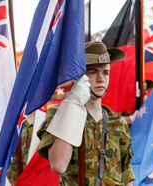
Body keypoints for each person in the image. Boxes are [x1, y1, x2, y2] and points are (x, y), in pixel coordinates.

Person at [37, 41, 135, 185]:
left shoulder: (118, 122)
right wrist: (74, 104)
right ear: (78, 77)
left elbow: (126, 174)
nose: (101, 78)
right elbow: (58, 164)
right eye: (93, 72)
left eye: (105, 72)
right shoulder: (60, 114)